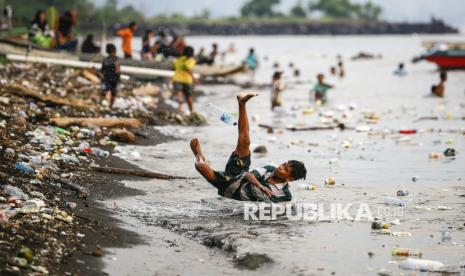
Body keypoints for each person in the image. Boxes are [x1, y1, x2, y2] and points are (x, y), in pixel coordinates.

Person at [190, 93, 307, 203]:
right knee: (245, 140)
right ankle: (242, 103)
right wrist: (260, 186)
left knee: (200, 165)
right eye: (284, 164)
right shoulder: (270, 169)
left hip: (227, 188)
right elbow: (247, 175)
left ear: (290, 179)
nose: (281, 167)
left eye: (285, 169)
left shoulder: (285, 195)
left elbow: (273, 211)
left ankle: (198, 154)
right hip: (238, 173)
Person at [172, 46, 196, 113]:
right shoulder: (191, 60)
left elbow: (174, 66)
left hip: (177, 79)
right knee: (189, 97)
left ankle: (180, 109)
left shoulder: (179, 59)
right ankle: (191, 112)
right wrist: (194, 79)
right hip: (187, 80)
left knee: (179, 94)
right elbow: (189, 69)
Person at [101, 44, 121, 109]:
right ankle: (110, 106)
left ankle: (107, 105)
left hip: (107, 78)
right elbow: (118, 70)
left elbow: (102, 70)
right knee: (113, 93)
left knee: (107, 91)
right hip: (114, 79)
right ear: (114, 51)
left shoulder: (105, 60)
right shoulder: (116, 59)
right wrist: (118, 77)